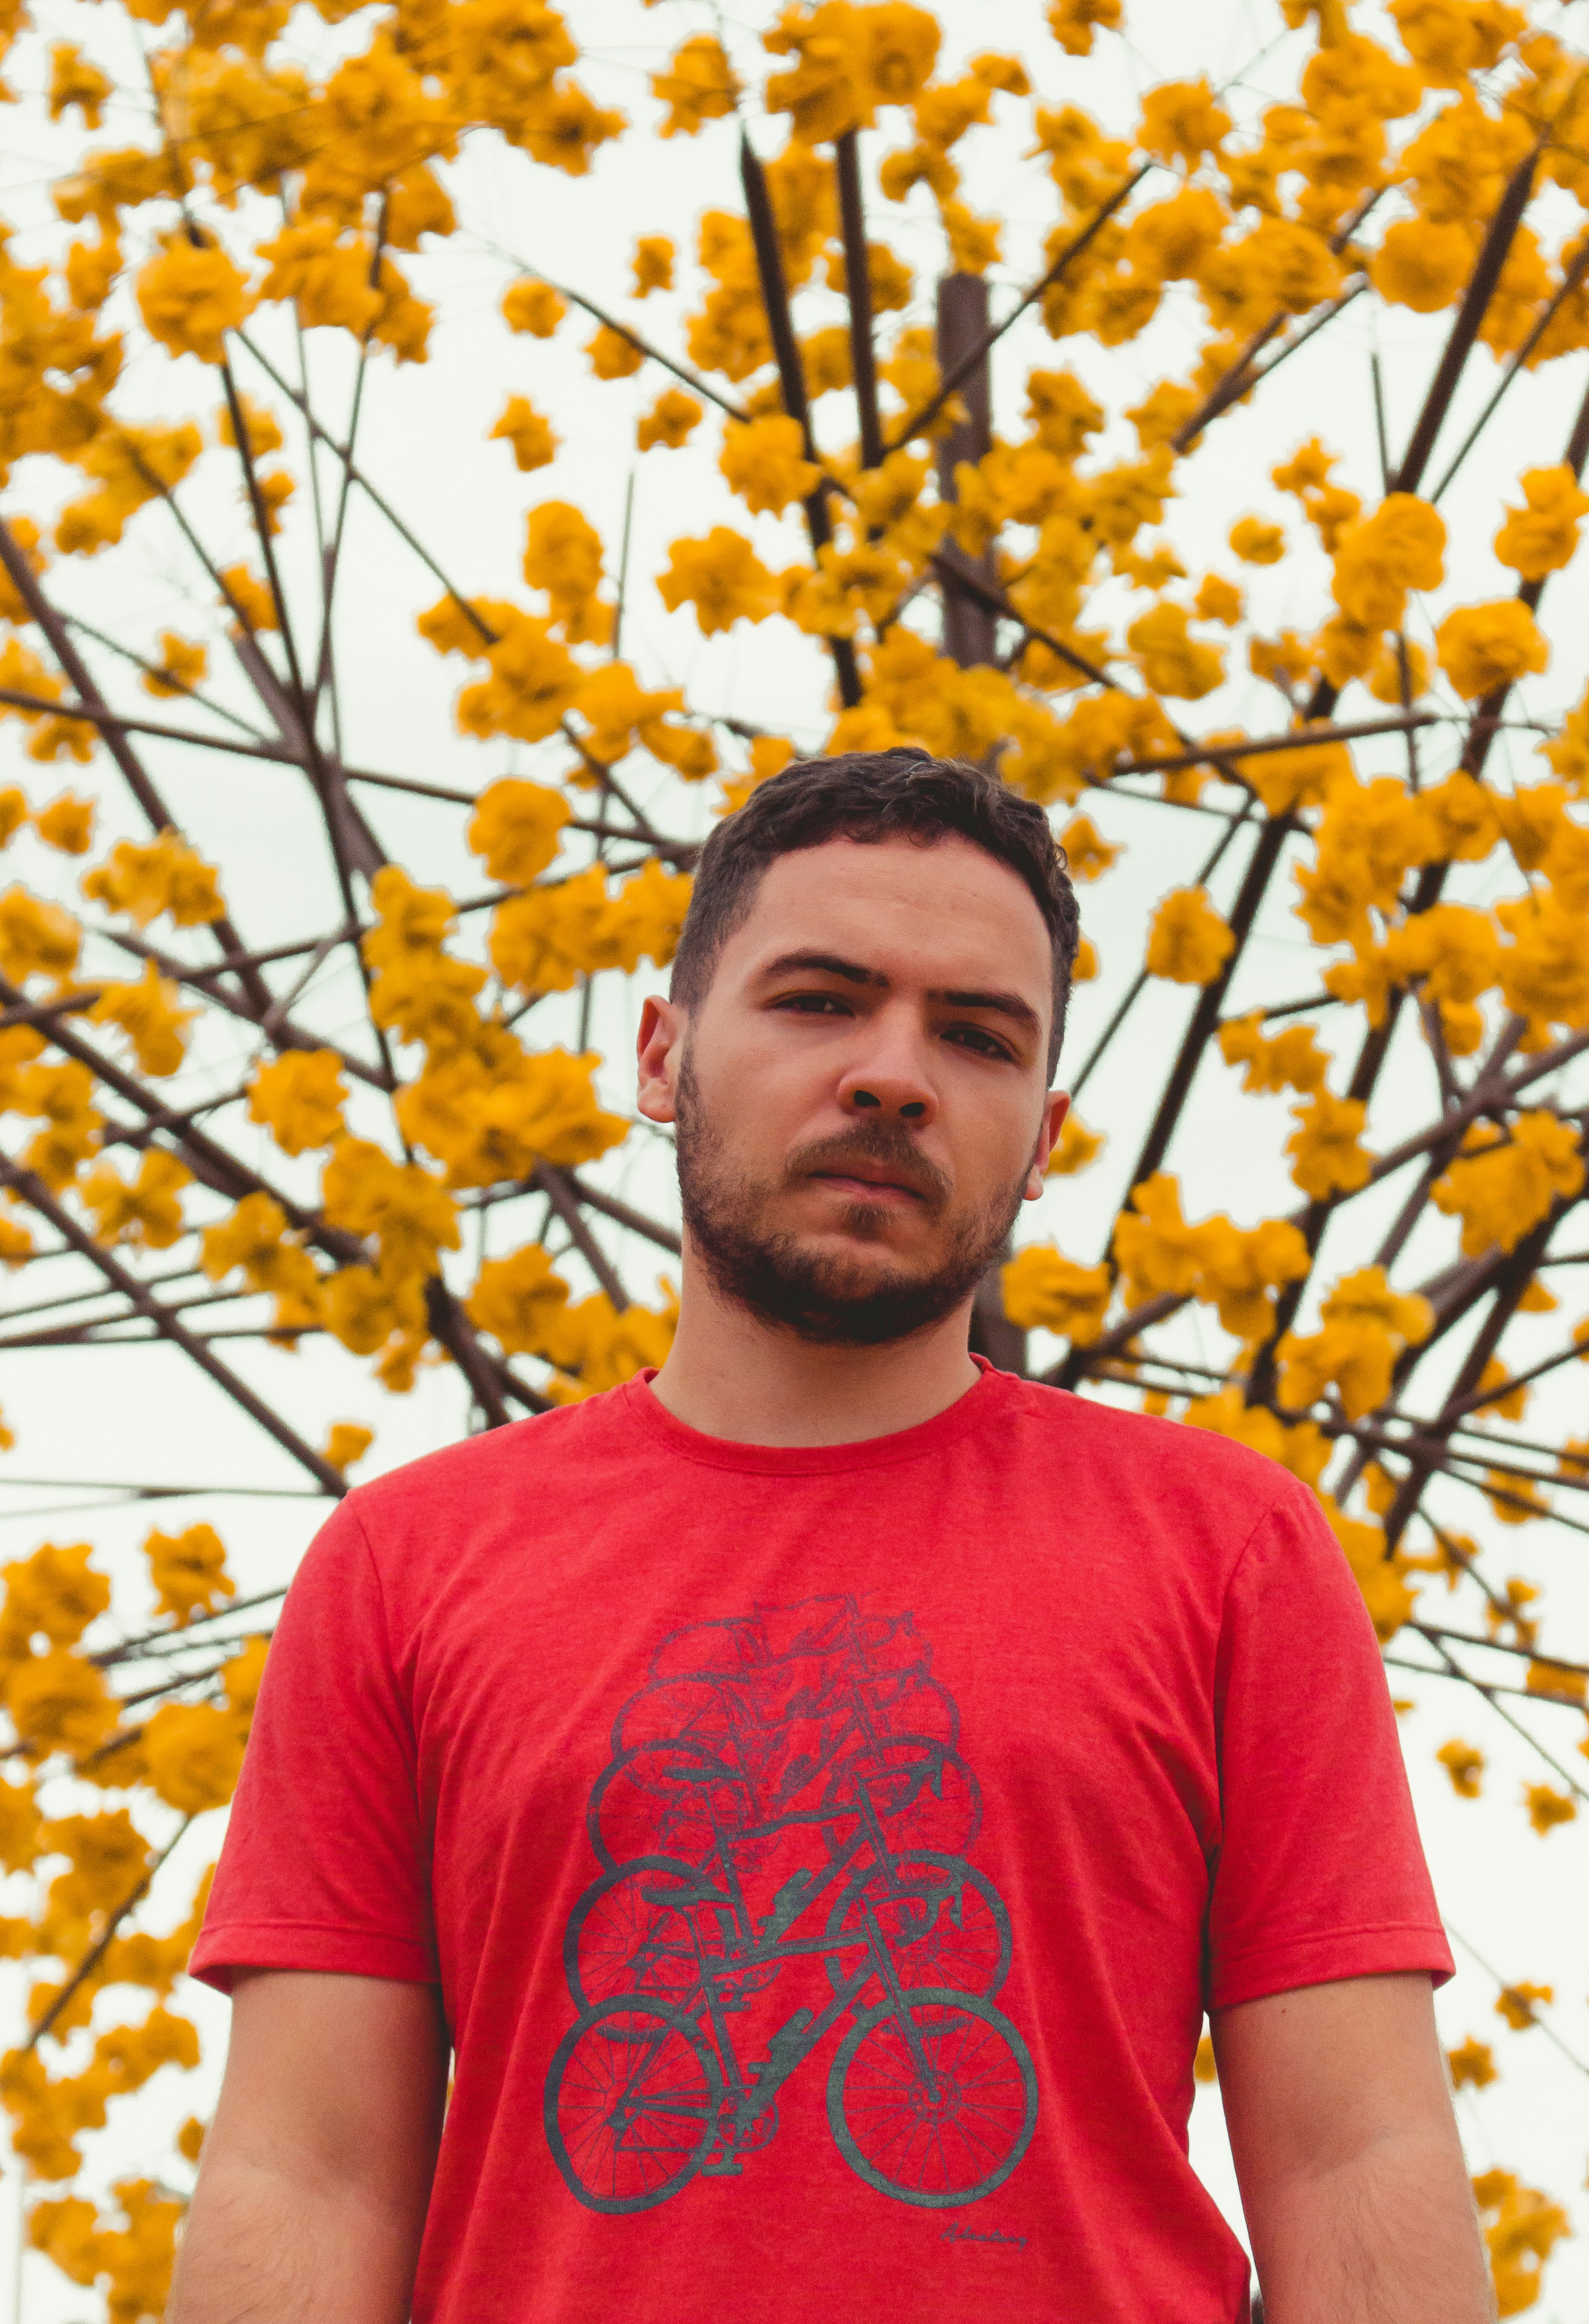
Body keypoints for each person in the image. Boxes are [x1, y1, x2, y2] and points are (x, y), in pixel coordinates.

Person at [172, 748, 1492, 2324]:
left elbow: (1362, 2159)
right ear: (661, 1055)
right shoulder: (409, 1564)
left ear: (1047, 1130)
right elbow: (306, 2178)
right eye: (818, 1000)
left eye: (977, 1035)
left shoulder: (1233, 1550)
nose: (894, 1075)